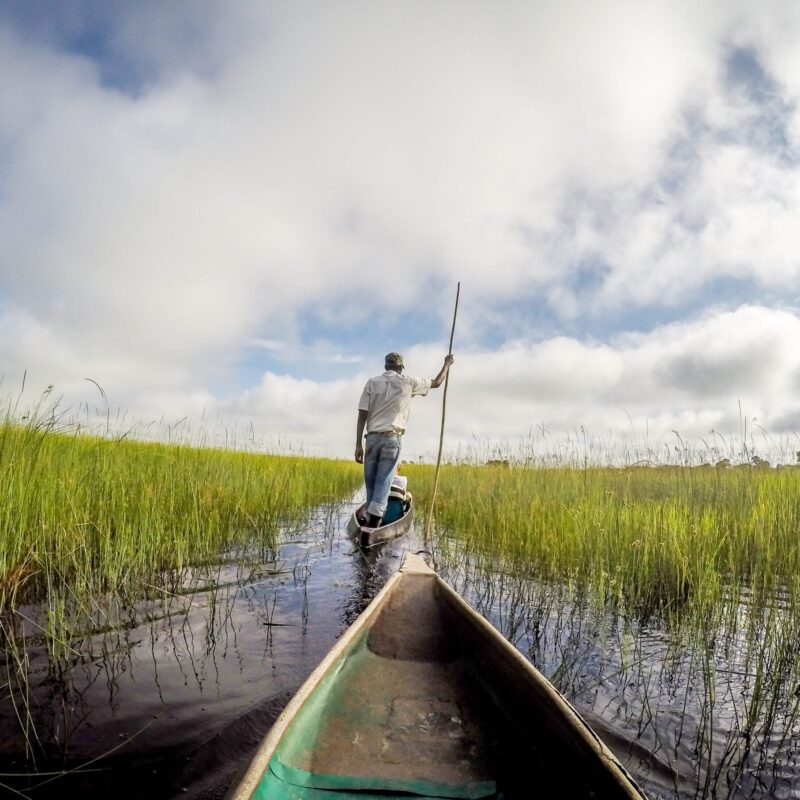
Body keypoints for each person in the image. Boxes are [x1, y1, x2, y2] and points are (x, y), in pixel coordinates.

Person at [355, 352, 454, 528]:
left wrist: (357, 445)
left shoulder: (372, 382)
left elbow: (363, 414)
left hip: (371, 439)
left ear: (386, 366)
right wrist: (447, 364)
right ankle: (374, 525)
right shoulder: (408, 382)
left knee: (371, 482)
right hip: (392, 439)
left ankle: (369, 523)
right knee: (384, 481)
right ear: (400, 367)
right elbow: (437, 383)